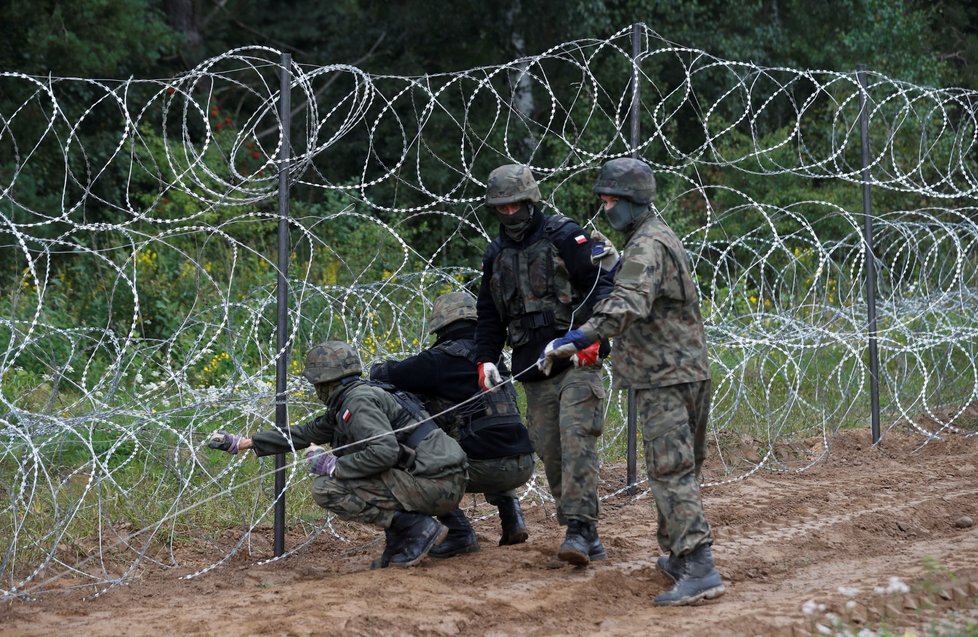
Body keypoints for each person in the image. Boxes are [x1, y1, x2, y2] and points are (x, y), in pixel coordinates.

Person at [538, 157, 725, 605]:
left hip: (663, 377)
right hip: (686, 370)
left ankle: (699, 566)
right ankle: (680, 555)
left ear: (632, 201)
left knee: (669, 470)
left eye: (609, 202)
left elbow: (630, 303)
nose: (605, 210)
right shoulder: (657, 237)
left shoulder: (646, 246)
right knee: (679, 468)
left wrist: (580, 335)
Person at [208, 340, 468, 569]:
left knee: (327, 488)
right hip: (440, 480)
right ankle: (402, 537)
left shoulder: (358, 403)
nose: (316, 390)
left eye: (317, 384)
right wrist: (245, 443)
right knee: (359, 476)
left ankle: (416, 528)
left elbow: (385, 452)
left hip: (435, 484)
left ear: (327, 382)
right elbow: (304, 433)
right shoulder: (354, 398)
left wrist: (333, 466)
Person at [473, 163, 616, 567]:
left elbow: (603, 285)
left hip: (577, 361)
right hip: (532, 369)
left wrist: (592, 337)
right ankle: (583, 529)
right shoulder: (496, 255)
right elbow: (488, 314)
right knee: (552, 453)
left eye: (516, 205)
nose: (509, 214)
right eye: (501, 208)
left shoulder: (565, 236)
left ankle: (579, 529)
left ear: (530, 201)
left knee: (576, 442)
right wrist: (485, 358)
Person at [369, 290, 535, 557]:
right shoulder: (492, 359)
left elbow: (388, 373)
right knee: (490, 431)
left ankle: (459, 533)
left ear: (441, 325)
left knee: (405, 461)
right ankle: (513, 517)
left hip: (483, 467)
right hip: (523, 462)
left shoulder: (439, 360)